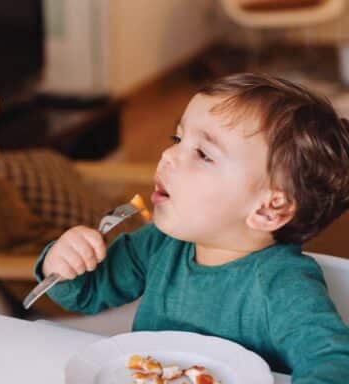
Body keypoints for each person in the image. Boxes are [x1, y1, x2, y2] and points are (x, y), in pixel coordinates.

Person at [37, 73, 349, 382]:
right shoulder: (161, 243)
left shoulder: (282, 285)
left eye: (202, 154)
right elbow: (88, 293)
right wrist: (64, 263)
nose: (168, 155)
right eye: (177, 139)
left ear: (269, 209)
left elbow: (332, 361)